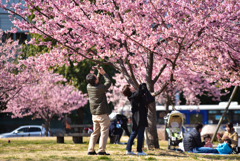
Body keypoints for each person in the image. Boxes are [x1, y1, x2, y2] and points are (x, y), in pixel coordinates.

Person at [86, 66, 111, 155]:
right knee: (104, 131)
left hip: (94, 114)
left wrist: (99, 73)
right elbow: (108, 83)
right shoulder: (100, 88)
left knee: (95, 132)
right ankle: (101, 150)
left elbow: (97, 82)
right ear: (95, 80)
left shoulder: (89, 86)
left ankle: (91, 150)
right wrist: (104, 74)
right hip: (102, 114)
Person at [122, 83, 148, 156]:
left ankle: (128, 150)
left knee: (134, 133)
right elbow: (142, 90)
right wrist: (142, 84)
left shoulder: (132, 96)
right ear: (129, 90)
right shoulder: (134, 96)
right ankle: (139, 151)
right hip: (140, 116)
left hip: (135, 117)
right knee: (140, 133)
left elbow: (140, 92)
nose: (132, 86)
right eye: (130, 86)